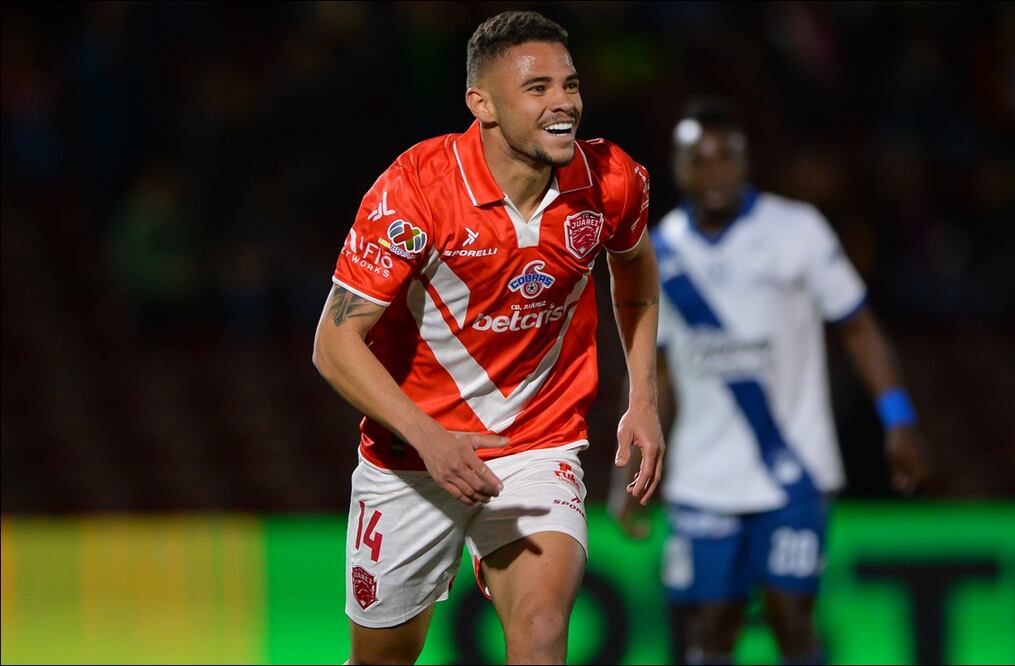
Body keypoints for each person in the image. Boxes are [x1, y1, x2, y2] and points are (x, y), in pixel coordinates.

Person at [312, 10, 664, 665]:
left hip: (538, 441)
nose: (563, 102)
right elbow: (332, 344)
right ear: (483, 104)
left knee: (540, 626)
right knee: (382, 659)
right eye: (537, 89)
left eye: (570, 84)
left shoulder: (609, 181)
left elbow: (635, 269)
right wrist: (428, 437)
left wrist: (641, 396)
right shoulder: (414, 191)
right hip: (412, 458)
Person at [610, 99, 929, 665]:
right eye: (699, 161)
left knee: (791, 618)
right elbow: (655, 373)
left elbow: (858, 326)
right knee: (711, 628)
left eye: (726, 159)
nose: (715, 173)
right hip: (705, 477)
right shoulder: (657, 253)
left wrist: (898, 417)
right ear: (677, 168)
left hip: (795, 469)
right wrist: (634, 471)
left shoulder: (797, 230)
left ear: (746, 163)